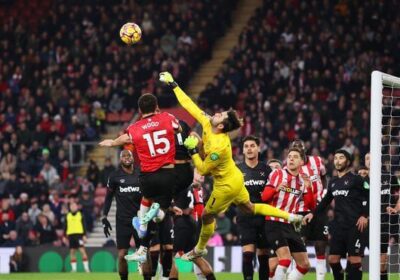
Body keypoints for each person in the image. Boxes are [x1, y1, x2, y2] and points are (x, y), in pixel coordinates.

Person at [159, 72, 303, 261]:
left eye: (221, 115)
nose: (217, 113)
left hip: (226, 185)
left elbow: (202, 170)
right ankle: (291, 217)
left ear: (221, 126)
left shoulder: (219, 146)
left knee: (207, 216)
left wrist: (193, 151)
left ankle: (200, 248)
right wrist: (174, 84)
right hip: (235, 177)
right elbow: (189, 105)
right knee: (251, 207)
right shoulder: (207, 122)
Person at [99, 93, 180, 268]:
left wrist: (112, 143)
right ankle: (154, 215)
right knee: (162, 212)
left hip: (148, 176)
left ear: (139, 110)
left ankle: (142, 226)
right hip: (167, 173)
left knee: (145, 204)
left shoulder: (135, 127)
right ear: (156, 106)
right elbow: (178, 129)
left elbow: (125, 139)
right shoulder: (167, 118)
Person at [304, 150, 369, 280]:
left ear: (348, 162)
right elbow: (325, 201)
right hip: (338, 226)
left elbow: (370, 195)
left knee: (355, 260)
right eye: (336, 158)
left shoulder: (357, 179)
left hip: (354, 225)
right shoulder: (333, 182)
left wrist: (365, 215)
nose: (337, 161)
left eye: (341, 158)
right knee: (333, 260)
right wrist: (313, 213)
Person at [261, 148, 315, 280]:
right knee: (285, 260)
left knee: (305, 265)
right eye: (289, 156)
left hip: (291, 225)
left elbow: (310, 206)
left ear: (302, 161)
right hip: (274, 222)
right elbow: (264, 197)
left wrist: (308, 187)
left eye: (295, 157)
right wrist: (275, 189)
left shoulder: (303, 181)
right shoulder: (278, 174)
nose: (291, 159)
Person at [290, 139, 328, 280]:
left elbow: (324, 178)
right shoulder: (289, 165)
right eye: (294, 148)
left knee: (320, 245)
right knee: (300, 244)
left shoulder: (317, 161)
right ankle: (295, 276)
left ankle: (320, 278)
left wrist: (323, 195)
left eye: (299, 147)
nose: (297, 150)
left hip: (318, 209)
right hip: (300, 209)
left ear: (305, 149)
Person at [101, 150, 142, 280]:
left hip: (141, 219)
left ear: (133, 158)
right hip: (122, 220)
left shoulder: (141, 173)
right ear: (120, 159)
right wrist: (104, 216)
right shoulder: (114, 176)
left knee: (144, 253)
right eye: (123, 156)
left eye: (128, 155)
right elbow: (108, 198)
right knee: (122, 254)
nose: (126, 158)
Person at [237, 135, 271, 280]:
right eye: (246, 146)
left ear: (258, 148)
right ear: (243, 150)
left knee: (263, 256)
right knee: (247, 254)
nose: (249, 149)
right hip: (245, 217)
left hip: (263, 217)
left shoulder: (267, 169)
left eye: (252, 146)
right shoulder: (237, 170)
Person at [361, 152, 399, 280]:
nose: (370, 160)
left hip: (384, 223)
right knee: (355, 260)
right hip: (365, 224)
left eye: (372, 157)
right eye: (367, 158)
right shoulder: (361, 180)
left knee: (381, 264)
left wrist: (396, 209)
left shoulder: (389, 177)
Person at [64, 202, 90, 273]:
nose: (73, 207)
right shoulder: (67, 215)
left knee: (82, 251)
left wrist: (84, 235)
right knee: (72, 252)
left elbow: (84, 225)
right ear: (70, 207)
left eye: (74, 206)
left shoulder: (80, 215)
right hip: (71, 235)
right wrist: (64, 236)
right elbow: (65, 226)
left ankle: (86, 269)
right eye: (71, 206)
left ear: (77, 207)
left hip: (79, 235)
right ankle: (74, 269)